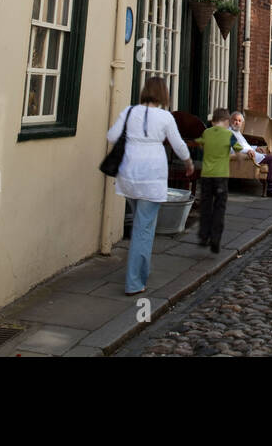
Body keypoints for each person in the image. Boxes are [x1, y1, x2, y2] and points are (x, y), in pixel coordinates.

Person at [106, 77, 193, 295]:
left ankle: (142, 268)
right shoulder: (164, 117)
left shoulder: (128, 111)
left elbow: (112, 136)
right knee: (143, 229)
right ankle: (134, 282)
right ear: (163, 94)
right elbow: (178, 144)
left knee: (141, 224)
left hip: (129, 173)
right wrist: (188, 162)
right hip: (151, 174)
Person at [197, 108, 251, 253]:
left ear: (213, 121)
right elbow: (239, 151)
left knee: (206, 206)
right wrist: (240, 162)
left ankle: (203, 236)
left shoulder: (206, 132)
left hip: (206, 175)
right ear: (227, 122)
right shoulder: (228, 135)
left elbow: (201, 144)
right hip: (221, 176)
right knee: (219, 208)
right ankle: (215, 239)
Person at [229, 111, 272, 197]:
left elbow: (245, 146)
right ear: (230, 121)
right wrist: (247, 151)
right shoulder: (229, 133)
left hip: (252, 153)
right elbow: (232, 149)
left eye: (239, 121)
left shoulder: (237, 133)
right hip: (247, 156)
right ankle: (271, 189)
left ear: (242, 123)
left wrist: (255, 147)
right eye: (235, 120)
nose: (237, 122)